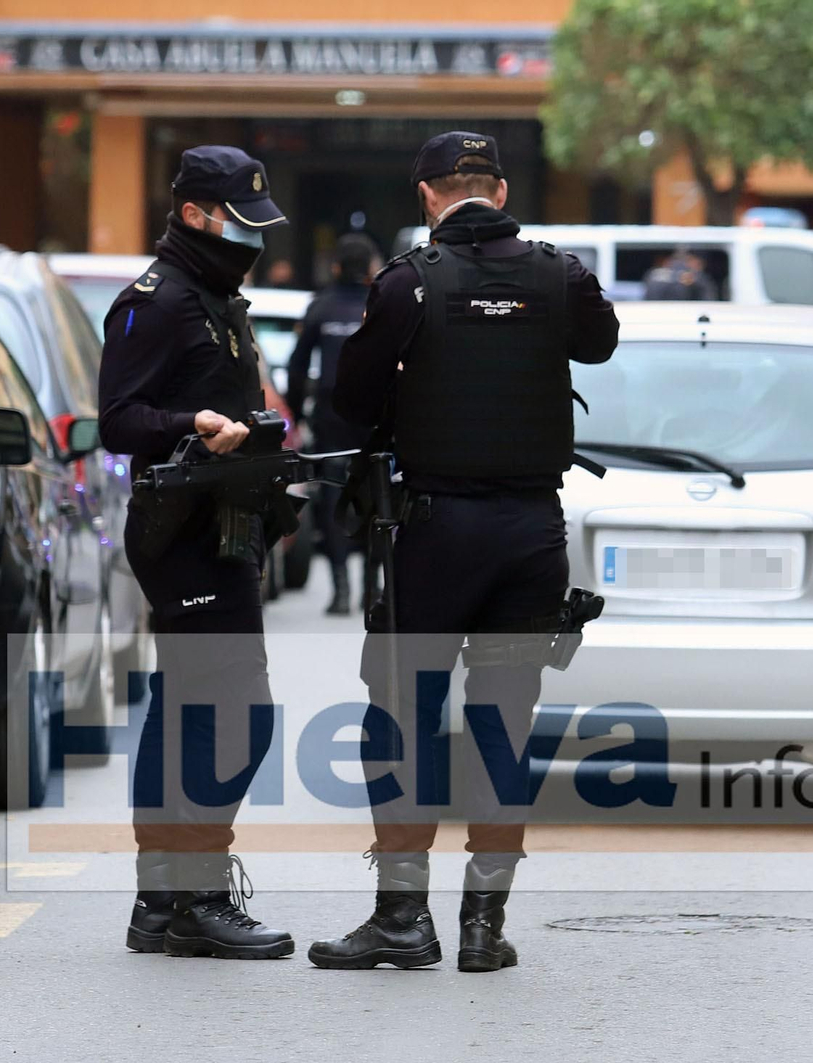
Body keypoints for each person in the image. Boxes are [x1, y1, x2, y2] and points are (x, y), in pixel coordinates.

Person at [308, 131, 619, 972]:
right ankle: (485, 925)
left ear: (426, 196)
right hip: (531, 535)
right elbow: (599, 344)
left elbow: (350, 399)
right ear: (503, 189)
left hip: (435, 532)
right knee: (502, 726)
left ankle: (404, 918)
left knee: (402, 718)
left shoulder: (409, 284)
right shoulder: (561, 274)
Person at [97, 145, 294, 959]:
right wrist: (194, 426)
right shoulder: (158, 300)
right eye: (237, 224)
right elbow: (119, 419)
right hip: (181, 533)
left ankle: (165, 899)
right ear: (192, 215)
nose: (249, 240)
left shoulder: (218, 299)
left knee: (197, 714)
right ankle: (193, 896)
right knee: (231, 719)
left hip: (226, 528)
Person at [286, 233, 383, 615]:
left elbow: (297, 365)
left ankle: (341, 589)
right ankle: (370, 588)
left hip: (331, 416)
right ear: (371, 268)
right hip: (375, 417)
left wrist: (297, 410)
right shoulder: (379, 305)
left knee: (332, 497)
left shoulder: (321, 307)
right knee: (378, 497)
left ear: (337, 267)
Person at [642, 249, 719, 300]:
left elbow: (709, 297)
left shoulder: (700, 278)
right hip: (657, 310)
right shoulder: (655, 274)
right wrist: (680, 278)